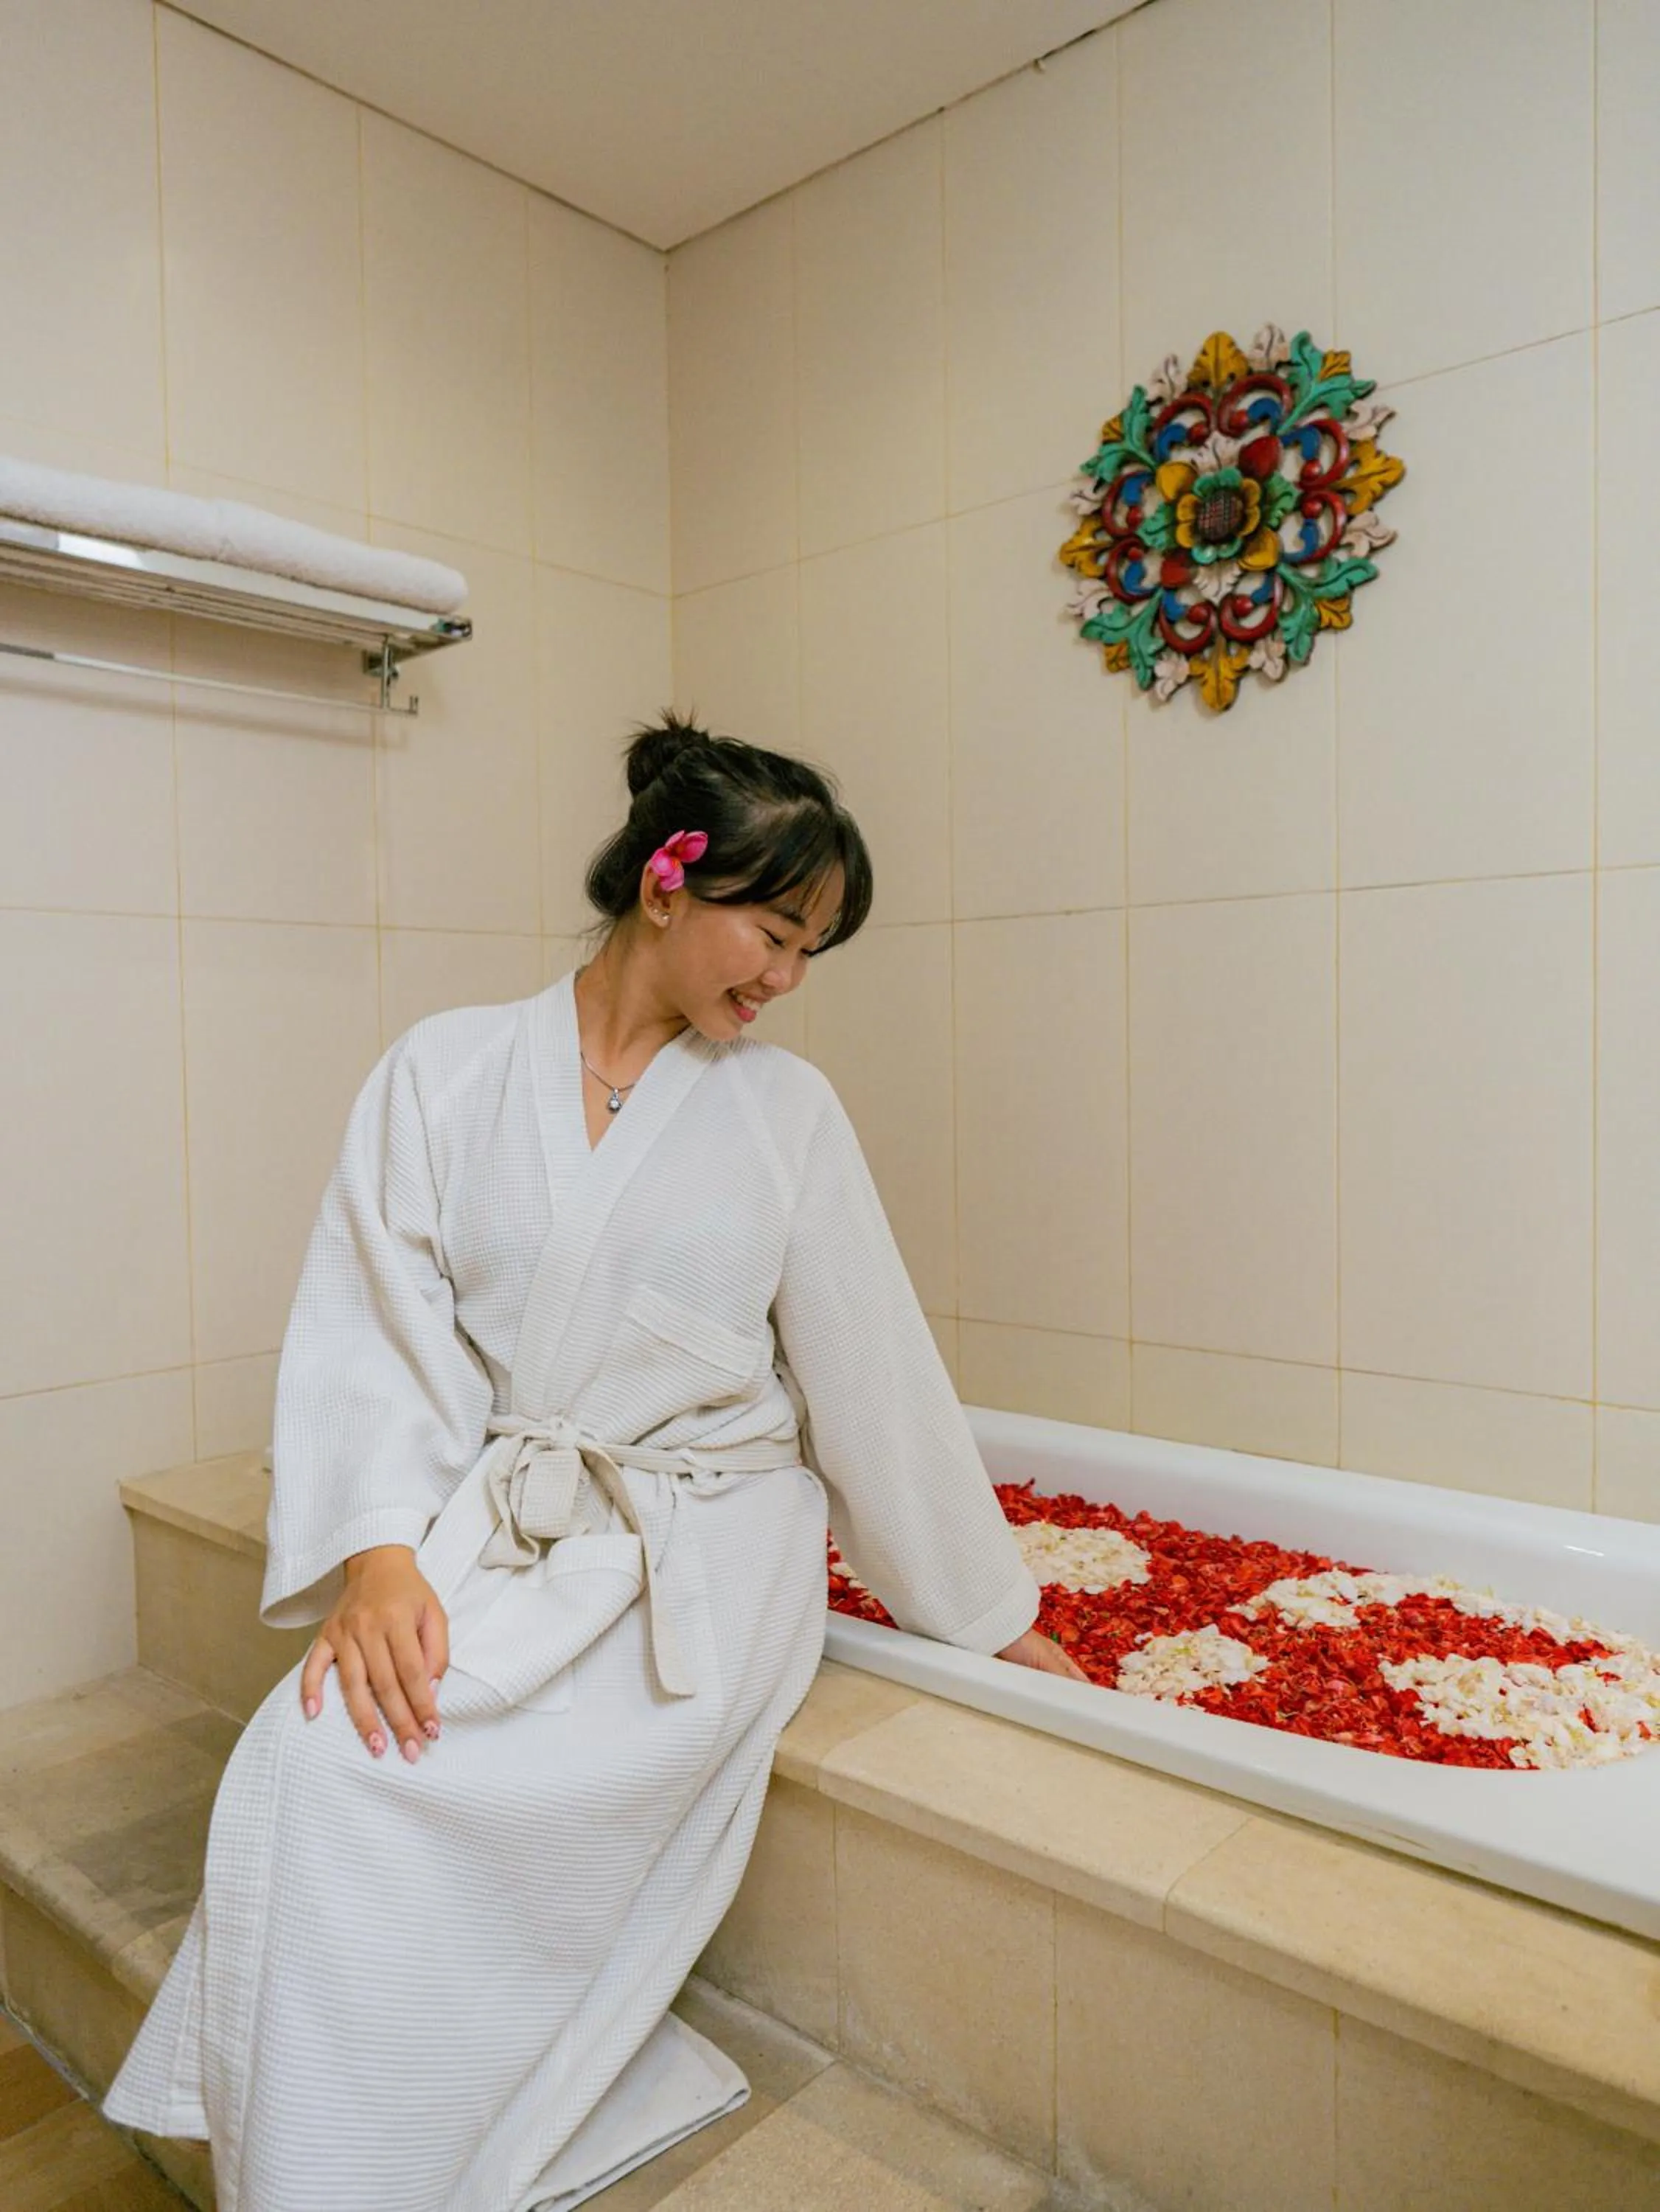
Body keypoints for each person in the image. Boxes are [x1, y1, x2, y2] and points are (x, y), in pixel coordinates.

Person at [103, 714, 1087, 2210]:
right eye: (776, 930)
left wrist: (992, 1614)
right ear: (667, 883)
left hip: (706, 1534)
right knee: (316, 1758)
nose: (788, 979)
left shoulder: (787, 1115)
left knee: (425, 1771)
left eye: (815, 947)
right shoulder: (442, 1071)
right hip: (510, 1516)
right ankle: (335, 2158)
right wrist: (377, 1555)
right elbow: (379, 1328)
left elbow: (869, 1372)